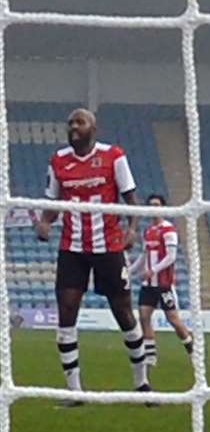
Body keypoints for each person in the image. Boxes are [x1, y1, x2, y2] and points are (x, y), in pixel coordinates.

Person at [35, 108, 150, 404]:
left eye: (79, 122)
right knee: (67, 311)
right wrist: (45, 222)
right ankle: (75, 391)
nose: (74, 127)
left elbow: (131, 200)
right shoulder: (58, 161)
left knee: (123, 312)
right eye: (70, 122)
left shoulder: (114, 156)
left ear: (93, 128)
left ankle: (141, 384)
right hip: (72, 248)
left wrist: (133, 229)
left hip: (108, 247)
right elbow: (52, 202)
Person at [132, 194, 194, 378]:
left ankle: (192, 350)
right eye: (151, 205)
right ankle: (151, 355)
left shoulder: (168, 230)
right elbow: (144, 256)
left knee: (173, 320)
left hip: (164, 284)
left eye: (157, 205)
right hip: (148, 284)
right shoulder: (148, 231)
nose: (154, 208)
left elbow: (171, 257)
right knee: (144, 316)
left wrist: (153, 270)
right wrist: (130, 270)